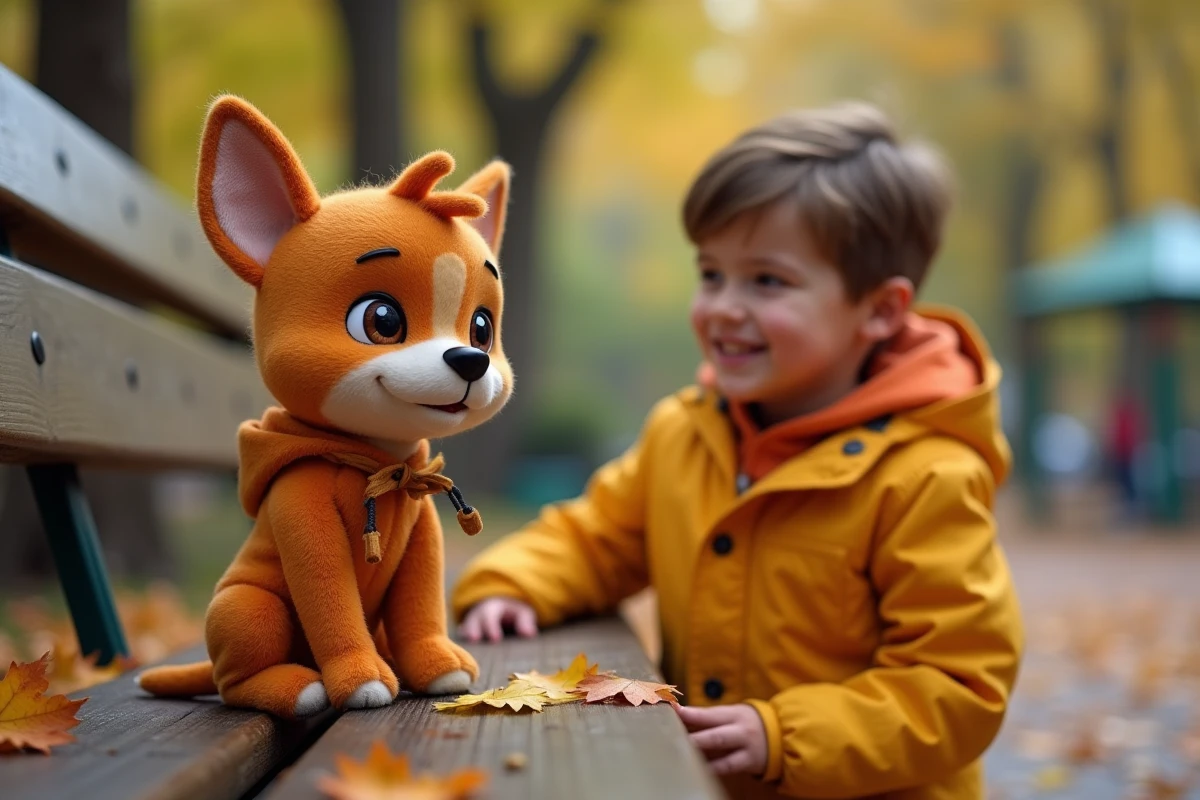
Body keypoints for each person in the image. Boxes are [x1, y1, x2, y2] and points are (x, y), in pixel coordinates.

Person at [452, 102, 1023, 800]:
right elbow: (596, 537)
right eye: (711, 273)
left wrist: (786, 734)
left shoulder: (925, 477)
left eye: (767, 281)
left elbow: (958, 684)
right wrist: (513, 582)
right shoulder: (686, 434)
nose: (723, 306)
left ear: (879, 310)